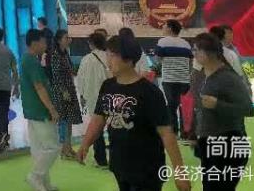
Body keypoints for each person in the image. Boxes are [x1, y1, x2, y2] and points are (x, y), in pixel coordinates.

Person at [77, 35, 190, 191]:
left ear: (129, 59)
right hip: (119, 164)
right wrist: (85, 143)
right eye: (107, 55)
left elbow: (166, 134)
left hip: (147, 168)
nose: (108, 60)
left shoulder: (150, 92)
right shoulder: (108, 86)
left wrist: (180, 173)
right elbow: (98, 118)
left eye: (113, 55)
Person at [192, 32, 254, 191]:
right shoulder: (203, 75)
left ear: (208, 53)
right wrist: (195, 134)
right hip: (211, 143)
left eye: (196, 50)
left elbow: (248, 109)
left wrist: (218, 105)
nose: (194, 54)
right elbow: (200, 108)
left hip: (228, 143)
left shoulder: (227, 77)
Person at [20, 28, 60, 191]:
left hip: (32, 110)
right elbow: (39, 87)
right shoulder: (31, 61)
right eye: (44, 42)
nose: (46, 45)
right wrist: (52, 109)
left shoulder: (27, 59)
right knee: (52, 147)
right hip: (39, 110)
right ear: (35, 43)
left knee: (39, 149)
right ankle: (35, 176)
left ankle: (44, 183)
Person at [76, 32, 109, 168]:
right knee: (114, 126)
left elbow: (80, 80)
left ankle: (100, 160)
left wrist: (82, 95)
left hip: (92, 98)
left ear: (92, 44)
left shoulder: (86, 59)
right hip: (109, 96)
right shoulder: (109, 57)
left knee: (96, 128)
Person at [49, 29, 82, 159]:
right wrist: (64, 91)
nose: (69, 40)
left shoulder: (65, 53)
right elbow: (56, 76)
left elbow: (70, 70)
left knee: (69, 120)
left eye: (69, 37)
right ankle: (63, 149)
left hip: (69, 89)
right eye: (66, 38)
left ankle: (68, 147)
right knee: (63, 120)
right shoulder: (55, 55)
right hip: (61, 92)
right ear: (59, 40)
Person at [156, 20, 193, 134]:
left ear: (170, 28)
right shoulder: (186, 44)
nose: (162, 28)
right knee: (183, 106)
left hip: (169, 80)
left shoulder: (163, 42)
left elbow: (158, 59)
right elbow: (190, 62)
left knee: (171, 107)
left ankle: (173, 131)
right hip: (184, 80)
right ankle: (186, 132)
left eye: (164, 26)